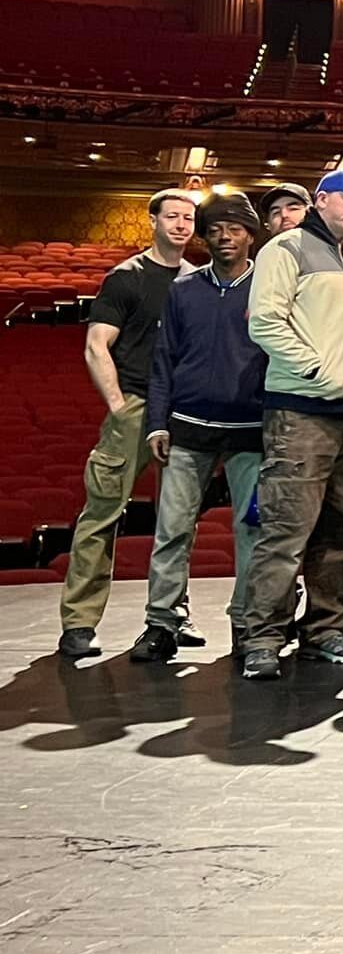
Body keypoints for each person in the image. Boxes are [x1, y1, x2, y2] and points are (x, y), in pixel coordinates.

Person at [239, 169, 343, 680]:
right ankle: (261, 637)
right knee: (286, 533)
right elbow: (265, 321)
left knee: (342, 533)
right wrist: (316, 369)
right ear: (321, 200)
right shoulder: (287, 249)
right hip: (301, 411)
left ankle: (326, 630)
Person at [55, 187, 197, 659]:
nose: (180, 224)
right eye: (172, 216)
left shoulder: (196, 281)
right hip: (136, 406)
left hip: (182, 412)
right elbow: (97, 346)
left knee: (179, 519)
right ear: (153, 221)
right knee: (102, 514)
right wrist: (118, 405)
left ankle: (172, 616)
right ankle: (78, 622)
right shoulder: (127, 278)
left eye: (188, 218)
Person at [131, 192, 264, 665]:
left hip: (252, 430)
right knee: (172, 529)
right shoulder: (184, 290)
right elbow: (163, 361)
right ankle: (162, 623)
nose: (224, 237)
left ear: (250, 234)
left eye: (234, 229)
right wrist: (156, 423)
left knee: (252, 531)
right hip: (188, 428)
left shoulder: (268, 288)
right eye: (214, 230)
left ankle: (248, 626)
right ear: (204, 238)